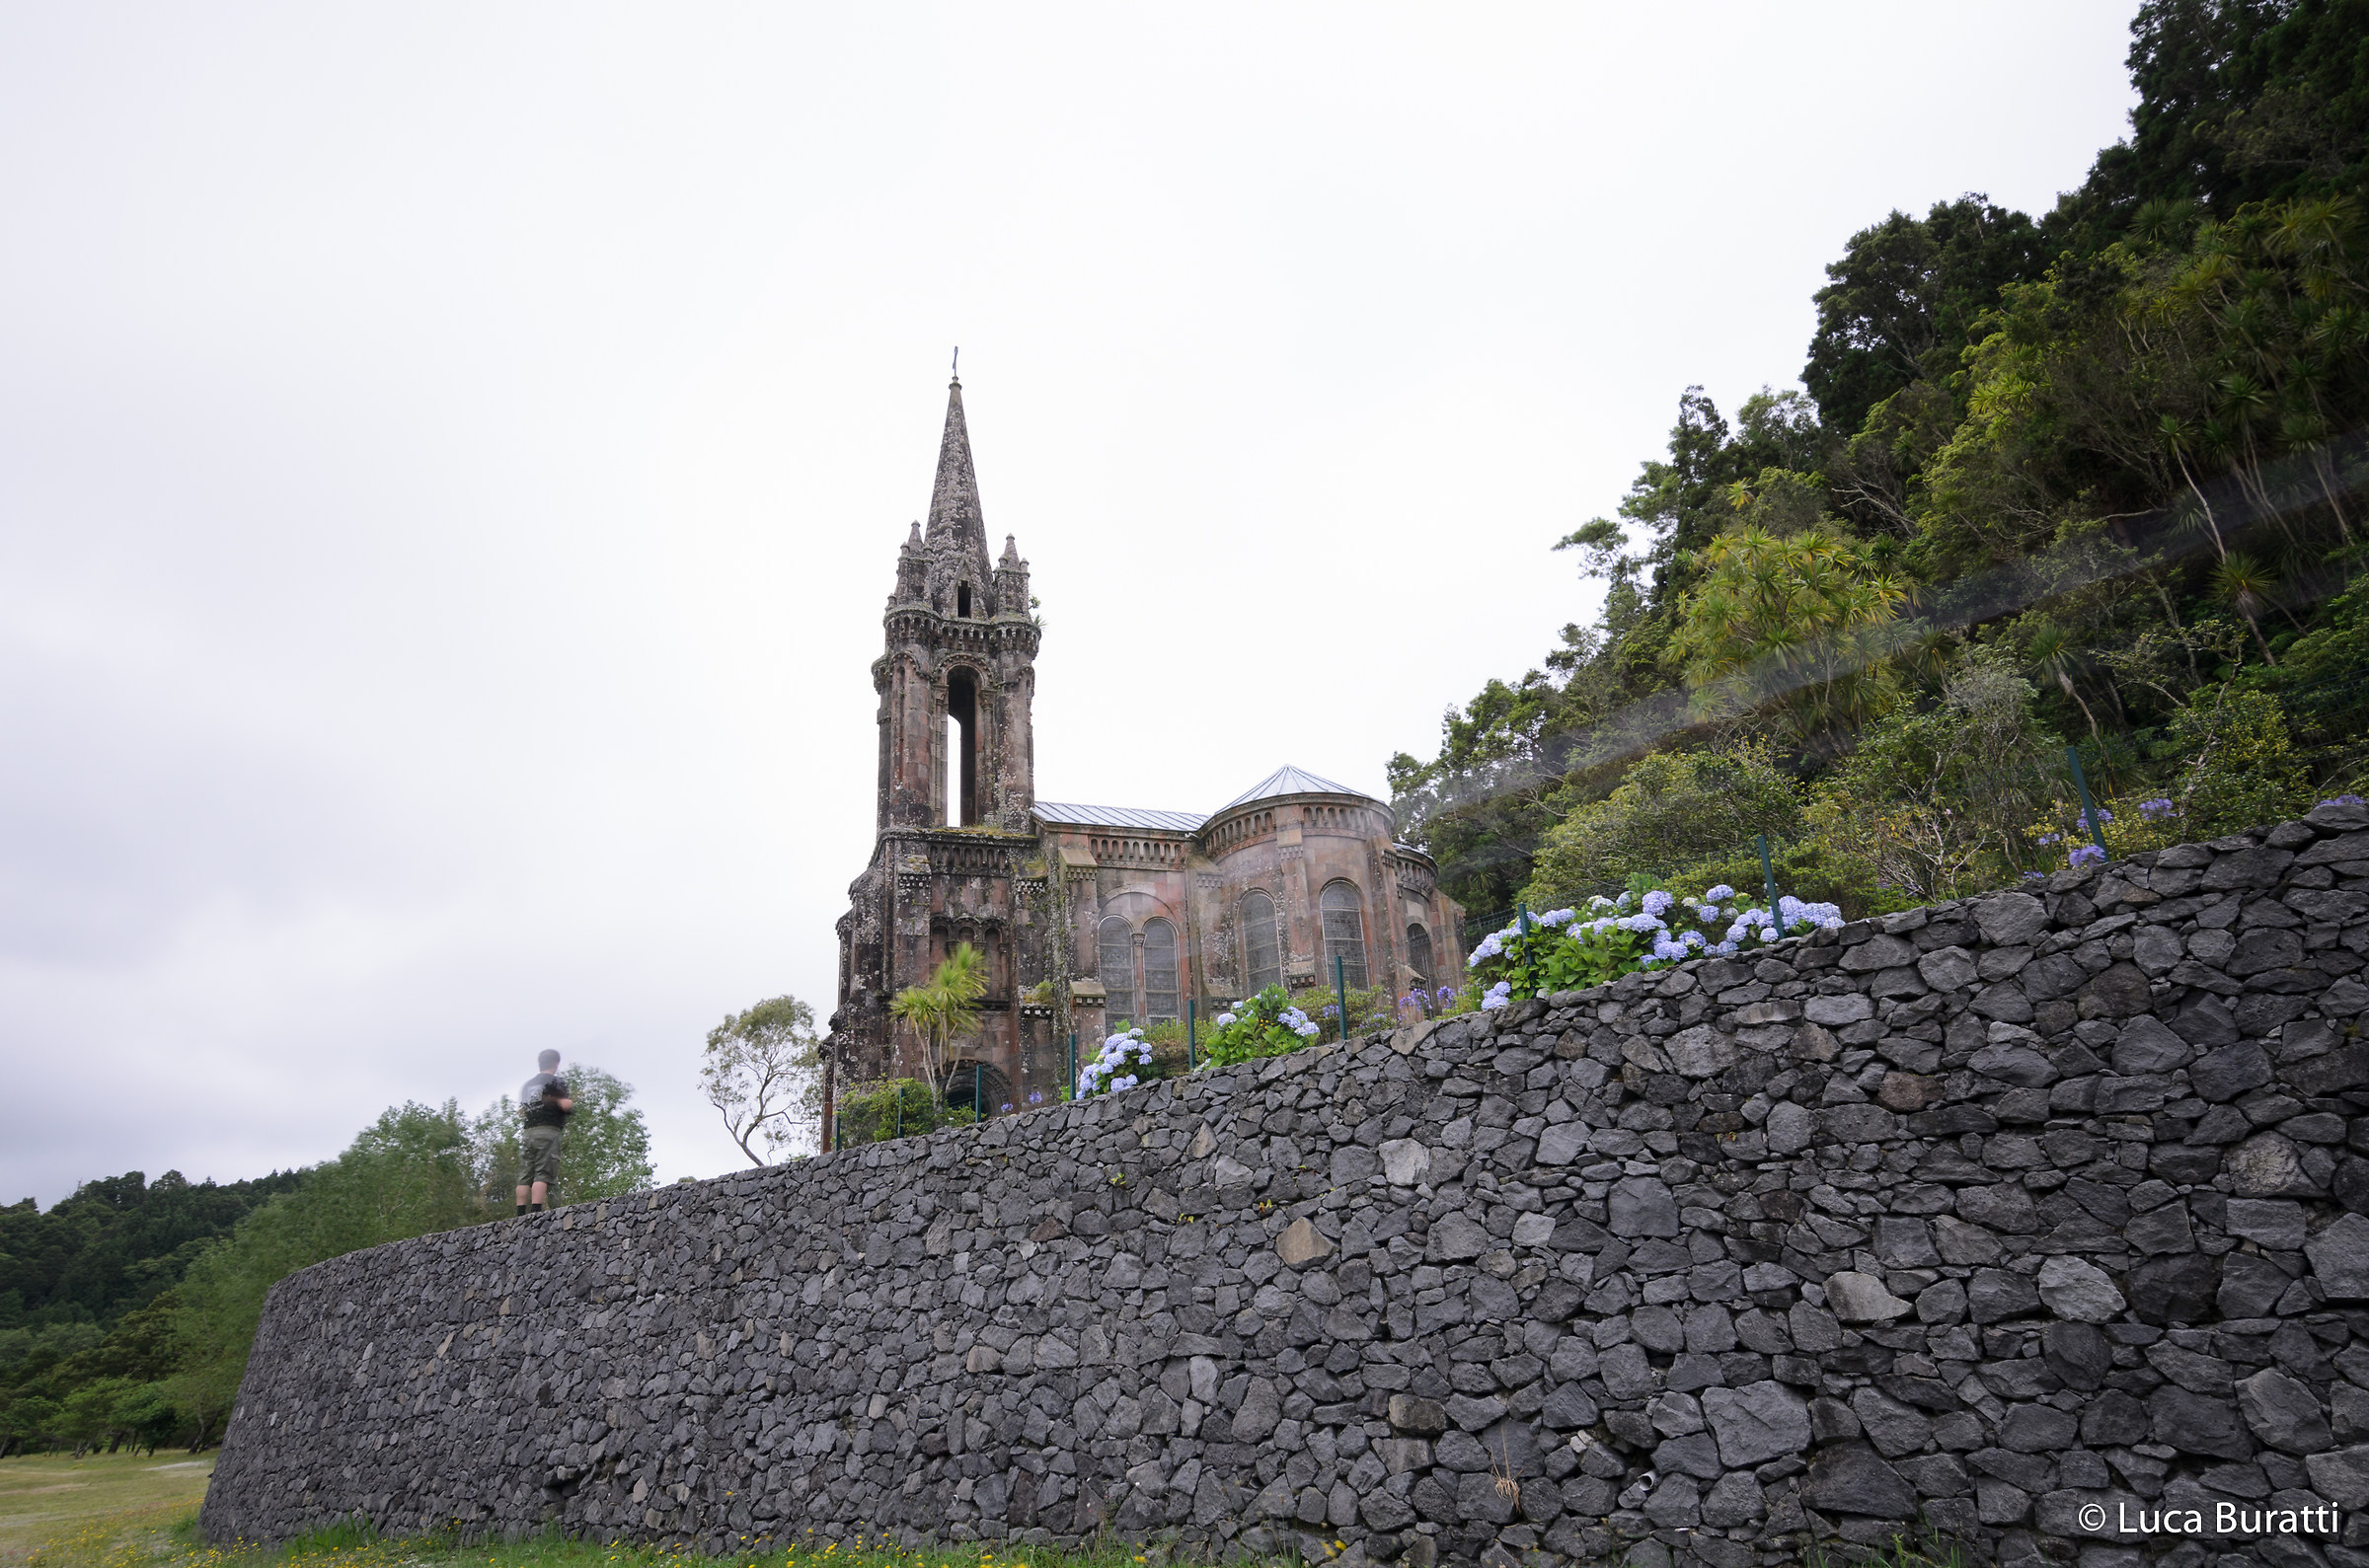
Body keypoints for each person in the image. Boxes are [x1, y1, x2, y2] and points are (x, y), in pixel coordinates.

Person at [515, 1048, 573, 1215]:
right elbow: (565, 1105)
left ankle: (520, 1213)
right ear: (556, 1064)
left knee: (525, 1173)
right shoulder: (556, 1083)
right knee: (542, 1173)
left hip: (528, 1132)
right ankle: (535, 1212)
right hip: (548, 1130)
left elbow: (524, 1109)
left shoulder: (527, 1085)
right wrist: (566, 1104)